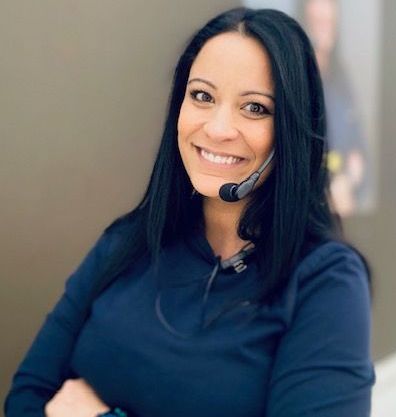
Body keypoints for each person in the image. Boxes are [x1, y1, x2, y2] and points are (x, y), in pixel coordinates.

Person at [4, 7, 375, 417]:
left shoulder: (325, 282)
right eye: (202, 96)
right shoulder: (127, 242)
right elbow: (26, 398)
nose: (217, 128)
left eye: (254, 108)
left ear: (290, 130)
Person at [296, 0, 373, 217]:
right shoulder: (293, 82)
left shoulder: (341, 81)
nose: (324, 31)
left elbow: (358, 152)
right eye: (318, 23)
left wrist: (347, 182)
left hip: (343, 210)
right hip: (304, 211)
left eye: (329, 23)